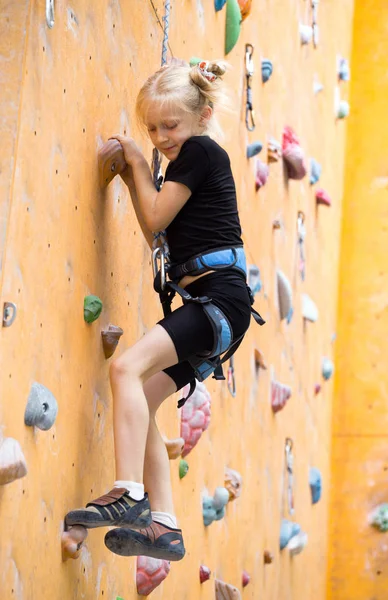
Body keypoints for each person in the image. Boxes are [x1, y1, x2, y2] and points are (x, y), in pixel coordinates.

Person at [65, 59, 262, 562]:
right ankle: (165, 525)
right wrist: (136, 172)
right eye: (151, 128)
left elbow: (154, 214)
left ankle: (130, 492)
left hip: (216, 298)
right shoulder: (186, 162)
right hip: (221, 307)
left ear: (202, 115)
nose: (160, 136)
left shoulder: (198, 151)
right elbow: (157, 230)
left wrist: (134, 163)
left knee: (125, 367)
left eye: (169, 125)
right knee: (144, 398)